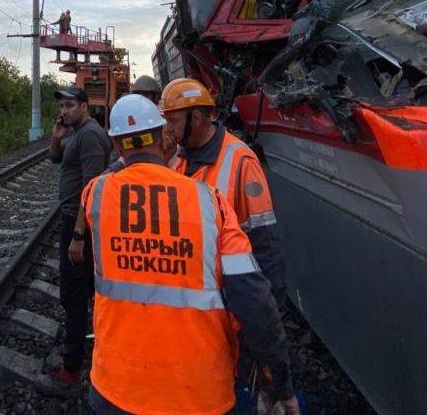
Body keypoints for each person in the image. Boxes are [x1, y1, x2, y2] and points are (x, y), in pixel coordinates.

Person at [68, 95, 299, 414]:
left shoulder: (96, 194)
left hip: (116, 387)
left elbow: (115, 174)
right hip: (199, 393)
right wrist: (277, 382)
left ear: (117, 147)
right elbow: (255, 300)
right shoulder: (212, 203)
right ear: (164, 136)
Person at [160, 78, 287, 309]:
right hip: (195, 299)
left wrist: (270, 309)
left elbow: (265, 240)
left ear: (196, 119)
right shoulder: (179, 158)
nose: (167, 129)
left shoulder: (240, 160)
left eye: (172, 121)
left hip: (229, 299)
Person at [46, 85, 112, 392]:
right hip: (72, 222)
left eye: (70, 105)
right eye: (62, 106)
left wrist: (78, 235)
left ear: (84, 106)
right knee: (76, 294)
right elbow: (55, 161)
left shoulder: (90, 136)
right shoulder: (75, 132)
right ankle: (86, 347)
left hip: (79, 226)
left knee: (74, 296)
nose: (64, 111)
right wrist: (56, 138)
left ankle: (71, 370)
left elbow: (93, 188)